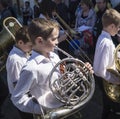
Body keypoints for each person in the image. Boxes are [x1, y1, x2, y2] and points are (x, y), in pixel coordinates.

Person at [11, 18, 93, 118]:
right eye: (53, 39)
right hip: (52, 111)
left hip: (66, 104)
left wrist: (79, 73)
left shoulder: (53, 55)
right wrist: (42, 109)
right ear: (40, 40)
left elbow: (61, 79)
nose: (57, 42)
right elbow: (17, 98)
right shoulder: (31, 68)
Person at [93, 8, 120, 119]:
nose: (119, 30)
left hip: (105, 80)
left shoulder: (103, 37)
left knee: (107, 107)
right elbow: (99, 70)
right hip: (107, 81)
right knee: (112, 109)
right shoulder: (107, 43)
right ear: (112, 26)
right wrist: (116, 80)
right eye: (118, 27)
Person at [6, 26, 33, 119]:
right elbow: (17, 85)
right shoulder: (15, 60)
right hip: (23, 99)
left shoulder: (23, 52)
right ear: (20, 42)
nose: (32, 47)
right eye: (30, 45)